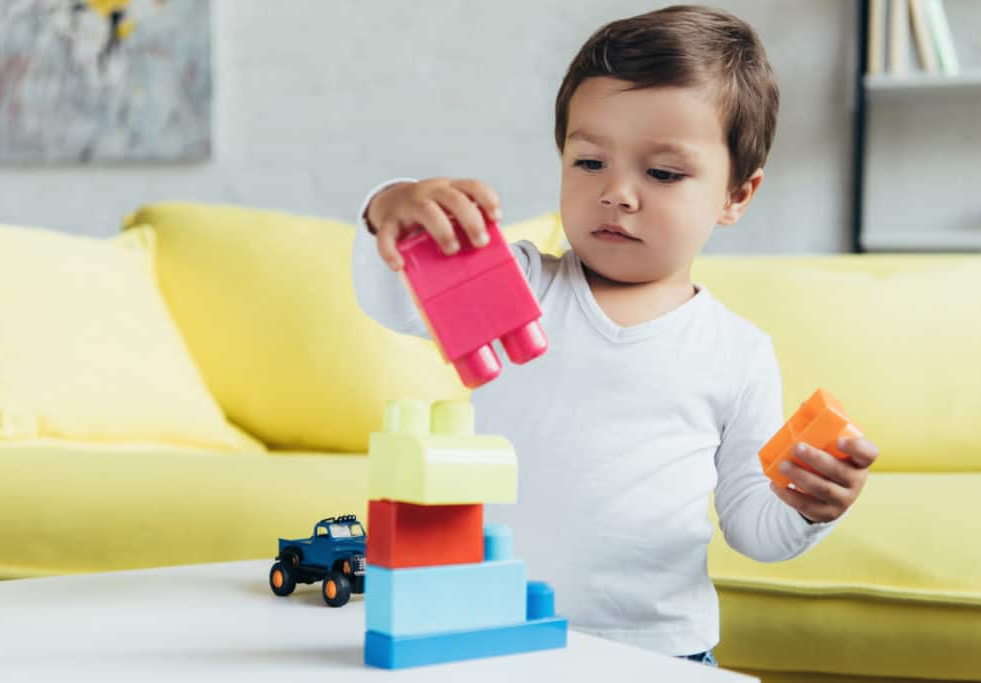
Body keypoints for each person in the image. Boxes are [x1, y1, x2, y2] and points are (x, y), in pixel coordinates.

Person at [350, 4, 879, 666]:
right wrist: (389, 207)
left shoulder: (738, 353)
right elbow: (392, 299)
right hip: (495, 635)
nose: (617, 193)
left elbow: (752, 525)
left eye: (661, 173)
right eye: (590, 160)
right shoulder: (518, 285)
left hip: (662, 652)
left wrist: (810, 508)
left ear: (736, 195)